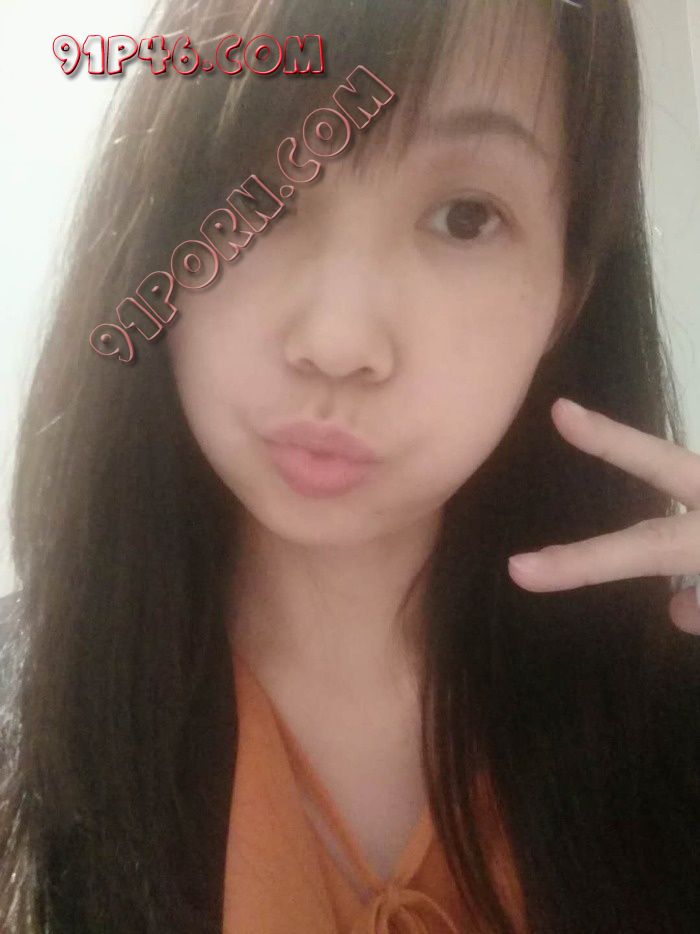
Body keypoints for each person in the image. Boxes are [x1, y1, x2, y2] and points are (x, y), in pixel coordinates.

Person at [1, 0, 700, 931]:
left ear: (567, 297)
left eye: (464, 217)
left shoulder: (668, 703)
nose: (338, 342)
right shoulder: (27, 720)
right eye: (256, 193)